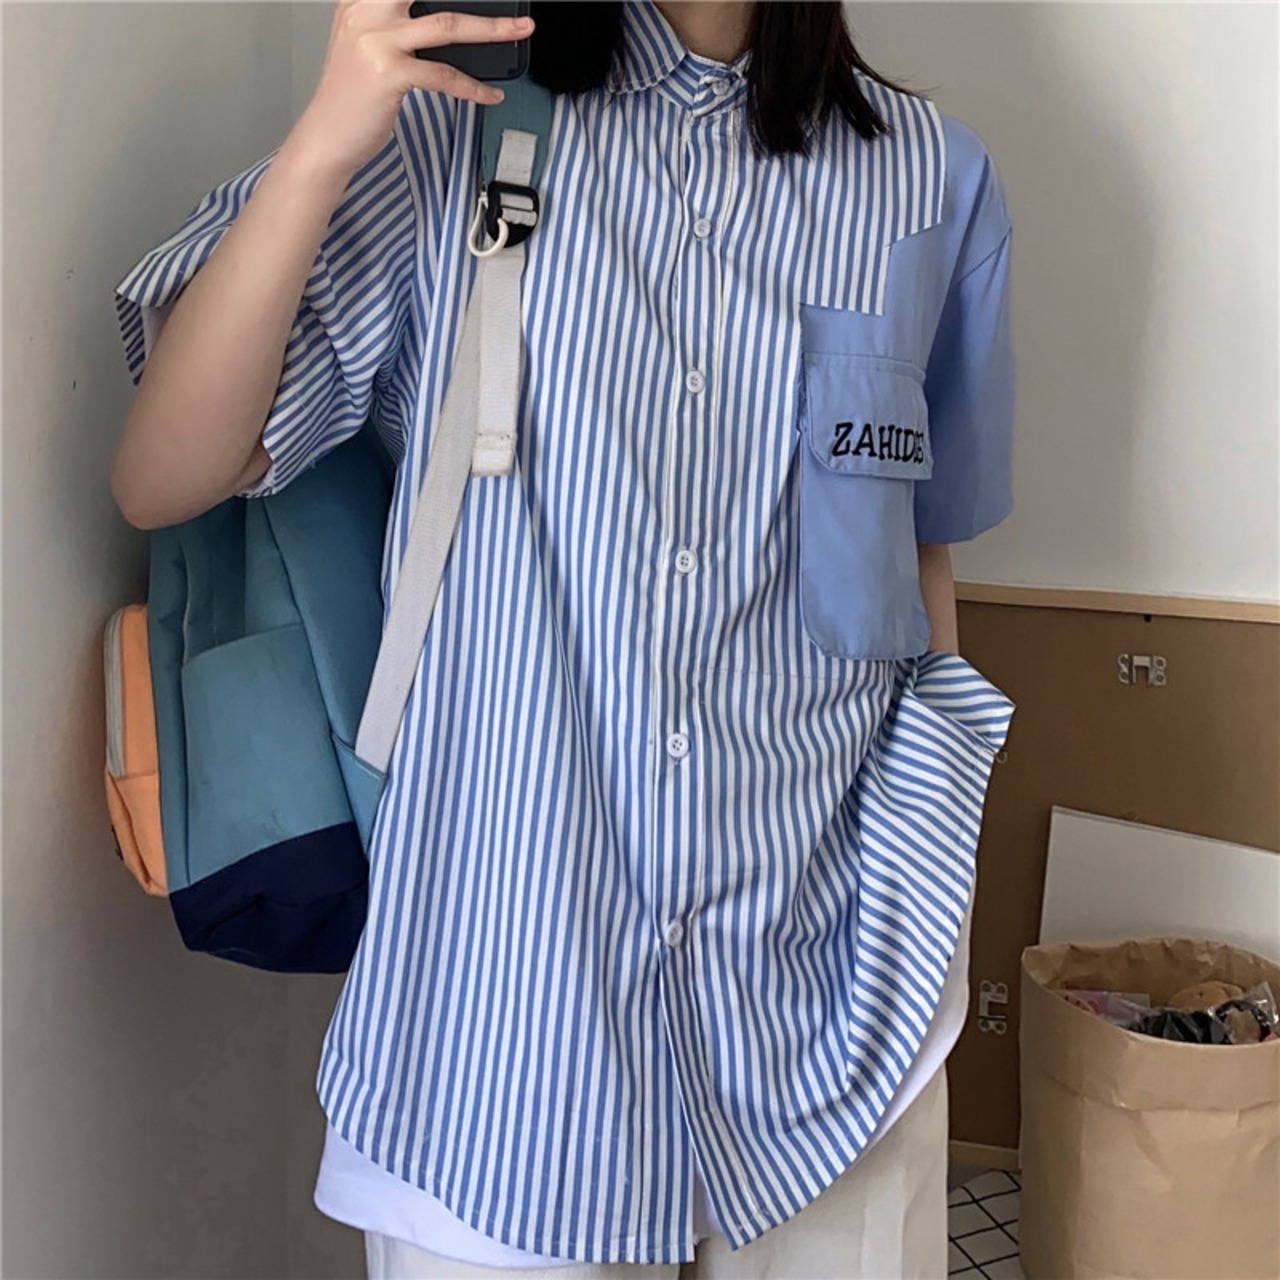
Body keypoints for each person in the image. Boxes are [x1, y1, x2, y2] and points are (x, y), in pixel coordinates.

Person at [110, 2, 1017, 1276]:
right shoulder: (454, 121)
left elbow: (920, 559)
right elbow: (161, 474)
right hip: (504, 1019)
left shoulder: (929, 178)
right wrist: (322, 145)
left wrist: (926, 879)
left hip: (833, 1002)